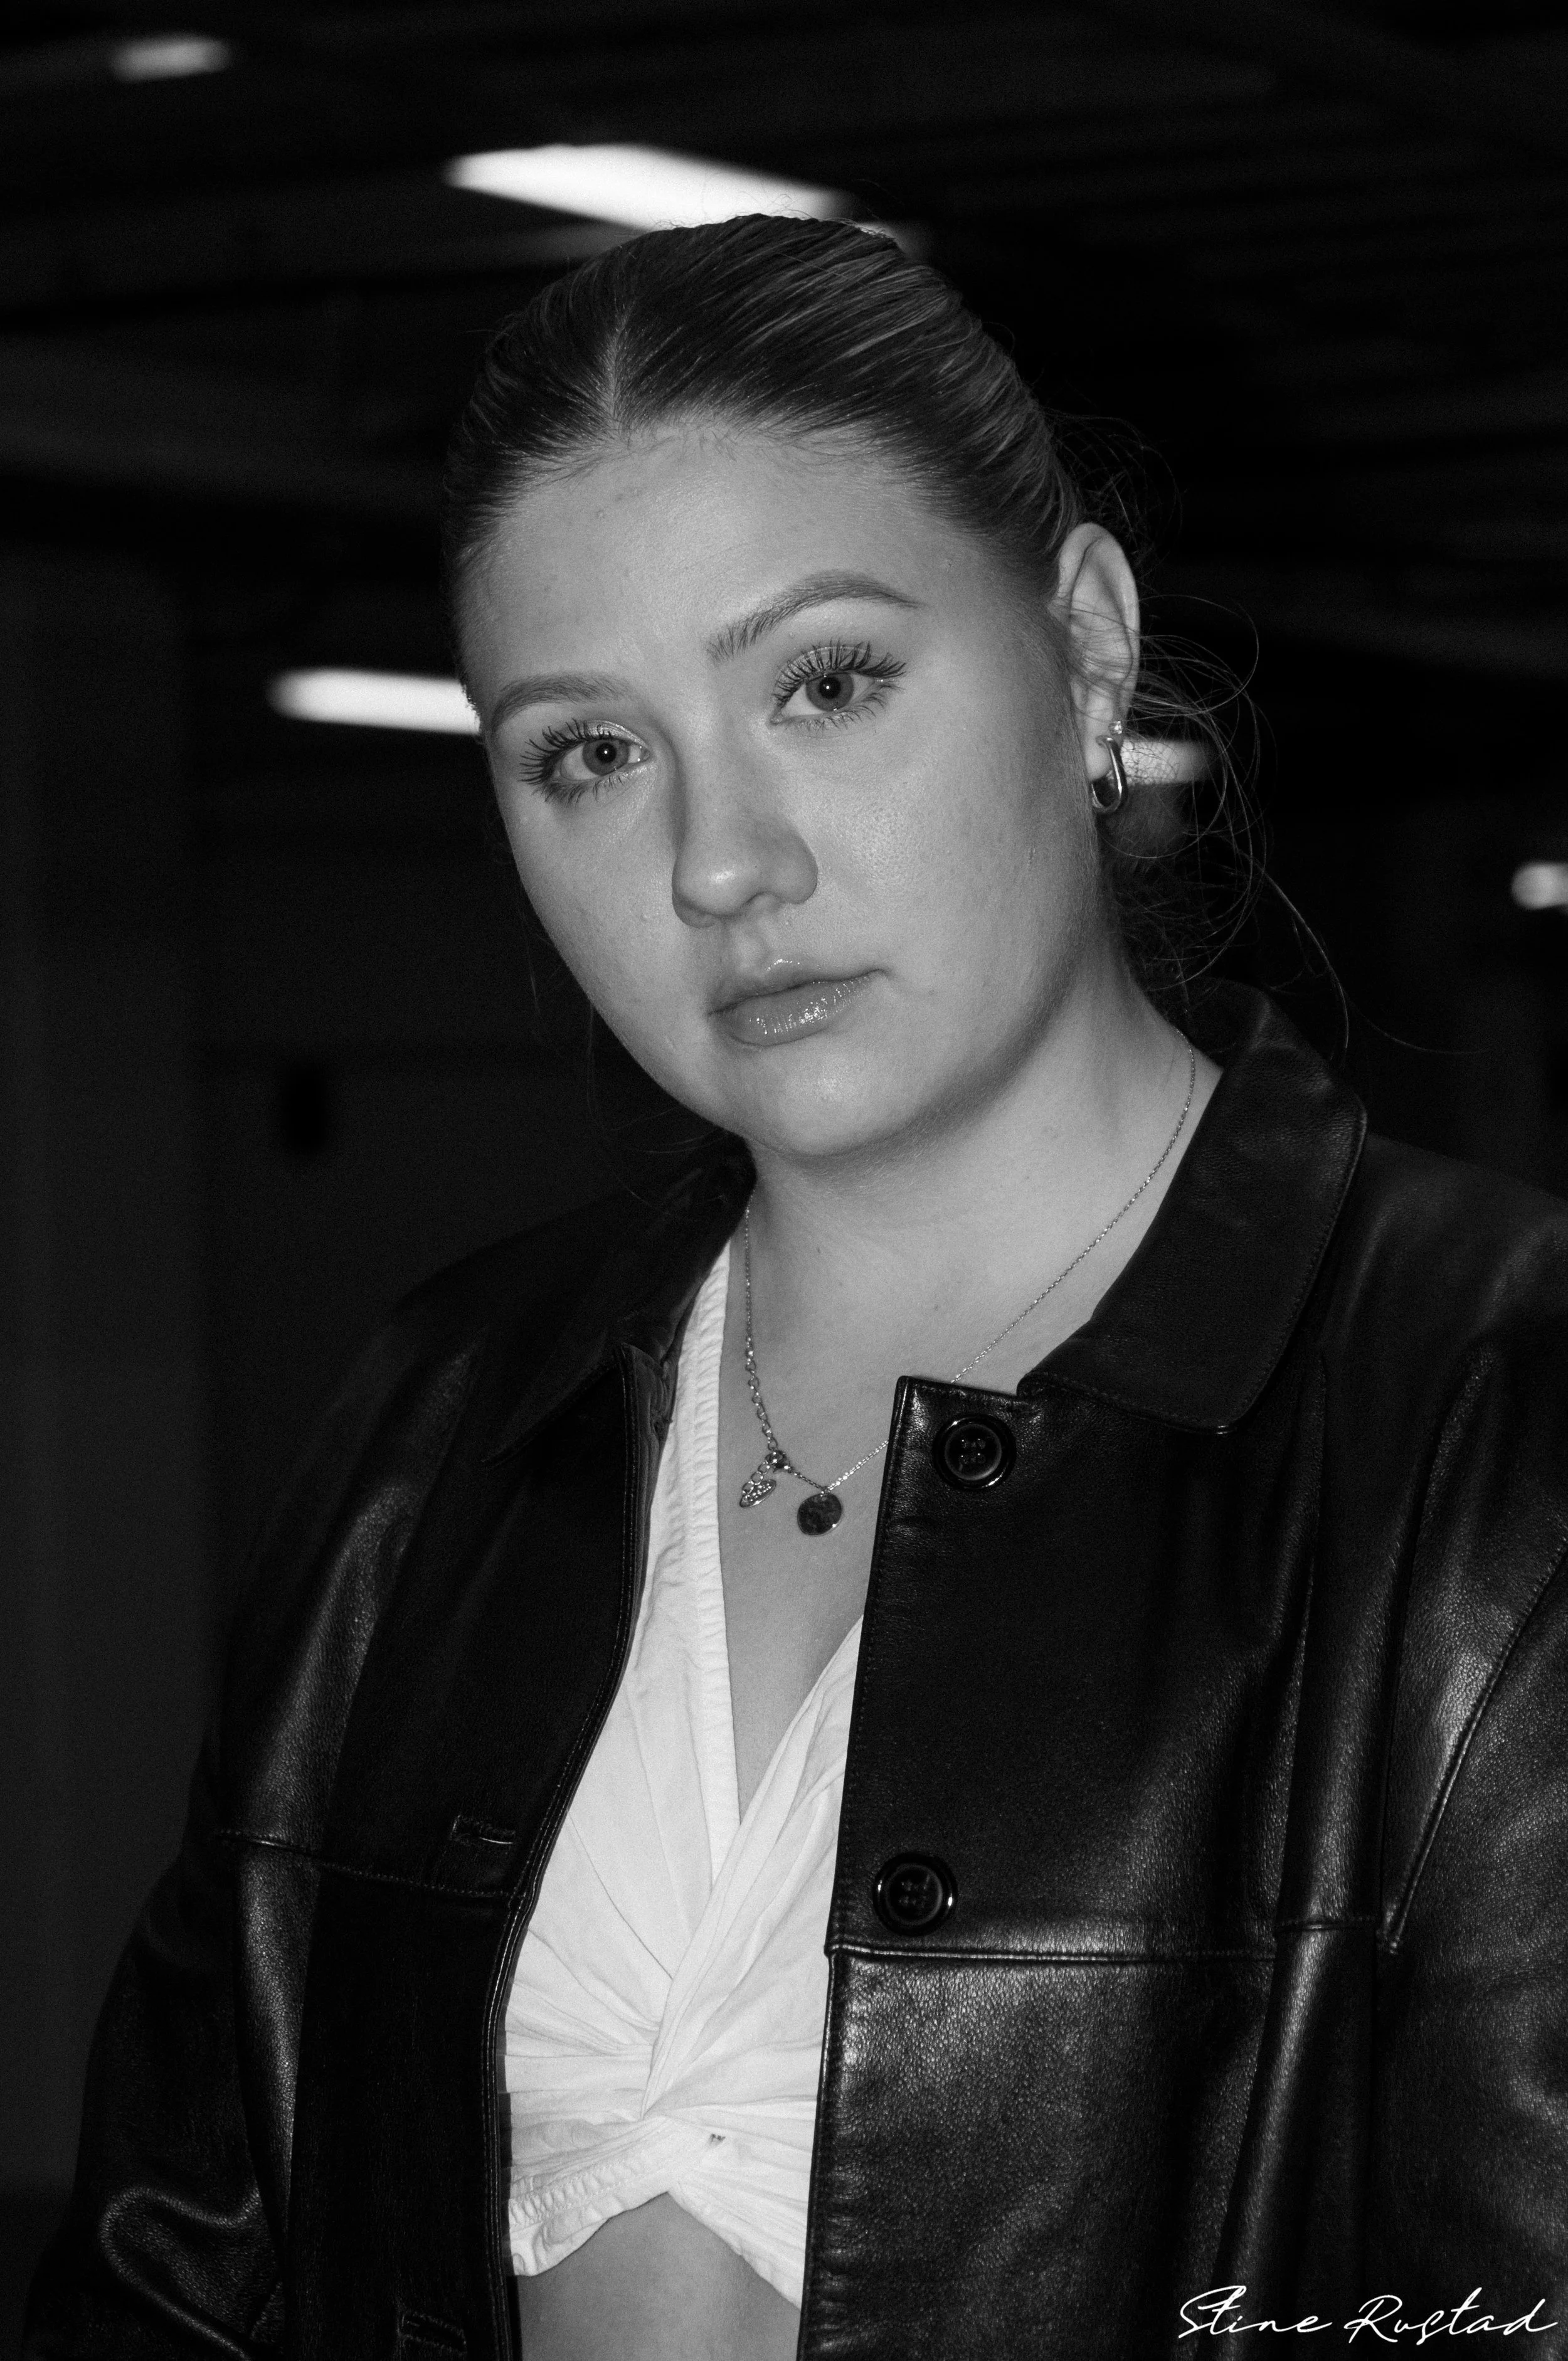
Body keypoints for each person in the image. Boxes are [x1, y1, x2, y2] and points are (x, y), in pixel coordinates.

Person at [26, 217, 1568, 2361]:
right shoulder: (452, 1409)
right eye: (590, 751)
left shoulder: (1488, 1408)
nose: (717, 862)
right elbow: (176, 2265)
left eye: (825, 683)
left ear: (1089, 649)